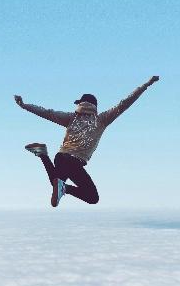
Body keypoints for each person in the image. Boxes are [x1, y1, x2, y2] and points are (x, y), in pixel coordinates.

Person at [14, 76, 159, 207]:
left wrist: (24, 105)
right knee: (92, 197)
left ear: (81, 104)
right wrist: (146, 85)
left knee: (57, 183)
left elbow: (47, 113)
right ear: (94, 107)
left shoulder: (71, 118)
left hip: (61, 158)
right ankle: (46, 159)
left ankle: (45, 157)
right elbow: (124, 104)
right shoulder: (102, 120)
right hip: (74, 162)